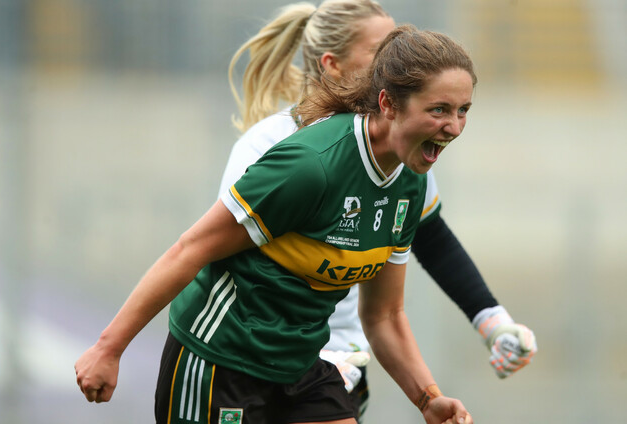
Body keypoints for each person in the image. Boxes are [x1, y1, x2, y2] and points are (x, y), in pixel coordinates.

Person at [76, 24, 477, 424]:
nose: (455, 127)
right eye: (439, 110)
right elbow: (190, 249)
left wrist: (427, 399)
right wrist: (108, 349)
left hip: (300, 362)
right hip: (222, 357)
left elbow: (384, 315)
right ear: (388, 103)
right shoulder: (311, 166)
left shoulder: (409, 184)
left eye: (463, 111)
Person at [221, 0, 537, 420]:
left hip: (341, 364)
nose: (397, 60)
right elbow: (221, 257)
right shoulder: (273, 146)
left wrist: (492, 321)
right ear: (332, 65)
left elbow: (431, 238)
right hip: (252, 360)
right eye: (380, 50)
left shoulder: (399, 149)